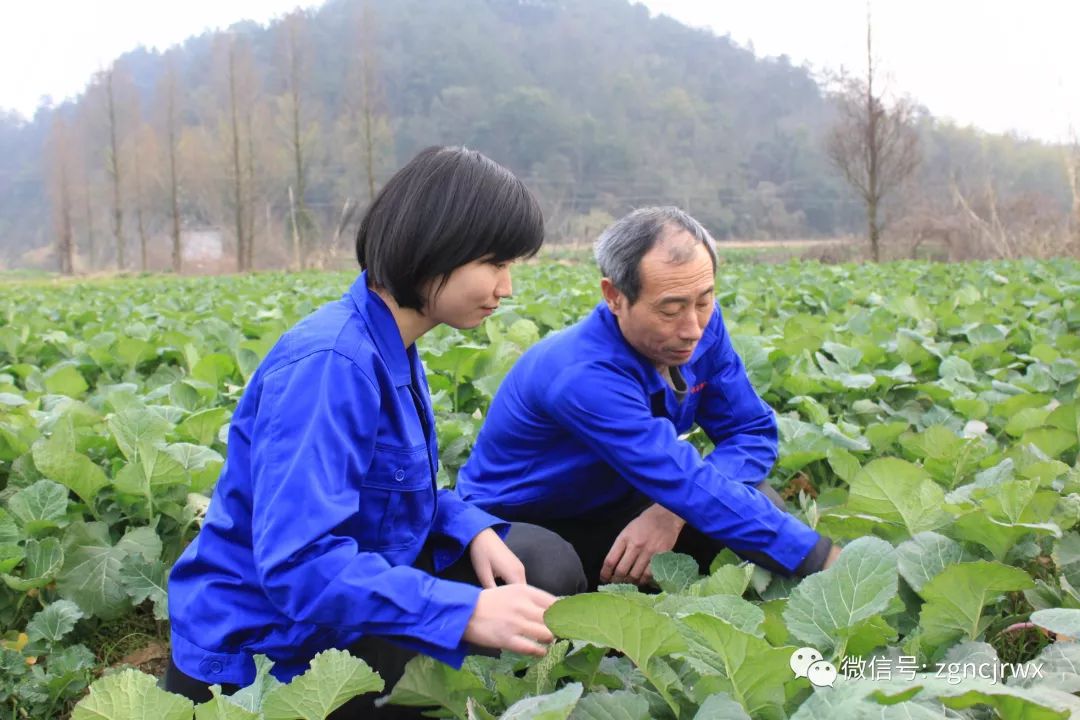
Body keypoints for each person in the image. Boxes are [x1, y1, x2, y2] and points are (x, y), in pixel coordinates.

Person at [165, 146, 586, 718]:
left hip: (345, 592)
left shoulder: (394, 345)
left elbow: (389, 496)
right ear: (434, 248)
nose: (506, 287)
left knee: (539, 562)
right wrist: (460, 613)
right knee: (483, 620)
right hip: (268, 647)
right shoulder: (331, 364)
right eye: (494, 263)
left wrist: (466, 527)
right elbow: (296, 565)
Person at [455, 206, 841, 591]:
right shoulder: (582, 374)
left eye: (703, 301)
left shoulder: (702, 327)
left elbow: (752, 431)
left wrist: (670, 512)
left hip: (619, 501)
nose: (692, 328)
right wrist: (824, 559)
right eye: (670, 309)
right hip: (523, 520)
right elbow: (677, 476)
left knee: (759, 500)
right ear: (615, 296)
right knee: (548, 569)